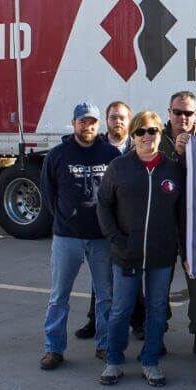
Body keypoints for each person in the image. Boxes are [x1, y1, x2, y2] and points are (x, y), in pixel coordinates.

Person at [96, 111, 185, 387]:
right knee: (121, 309)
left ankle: (150, 361)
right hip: (126, 254)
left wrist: (183, 250)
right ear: (133, 136)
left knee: (157, 309)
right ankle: (114, 360)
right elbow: (103, 206)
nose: (147, 137)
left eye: (153, 131)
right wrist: (116, 240)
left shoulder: (173, 169)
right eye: (140, 132)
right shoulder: (119, 167)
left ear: (161, 134)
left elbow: (182, 214)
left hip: (161, 255)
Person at [39, 103, 122, 371]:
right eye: (83, 122)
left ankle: (105, 344)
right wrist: (66, 219)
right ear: (73, 123)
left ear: (99, 125)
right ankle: (53, 349)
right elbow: (48, 193)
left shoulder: (109, 154)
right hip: (67, 238)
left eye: (92, 122)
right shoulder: (57, 155)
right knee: (59, 296)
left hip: (101, 238)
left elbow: (117, 194)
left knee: (105, 295)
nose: (88, 127)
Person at [75, 101, 141, 342]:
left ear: (130, 119)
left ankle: (138, 321)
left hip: (130, 222)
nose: (118, 122)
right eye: (113, 117)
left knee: (134, 274)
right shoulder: (98, 147)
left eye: (122, 117)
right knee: (100, 278)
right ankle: (94, 321)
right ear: (107, 120)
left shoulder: (138, 145)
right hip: (103, 223)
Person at [159, 91, 196, 361]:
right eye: (177, 112)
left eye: (188, 113)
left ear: (195, 115)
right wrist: (176, 155)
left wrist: (190, 153)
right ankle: (157, 330)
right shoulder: (155, 138)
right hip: (164, 225)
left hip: (193, 225)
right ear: (169, 112)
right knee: (158, 282)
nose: (182, 118)